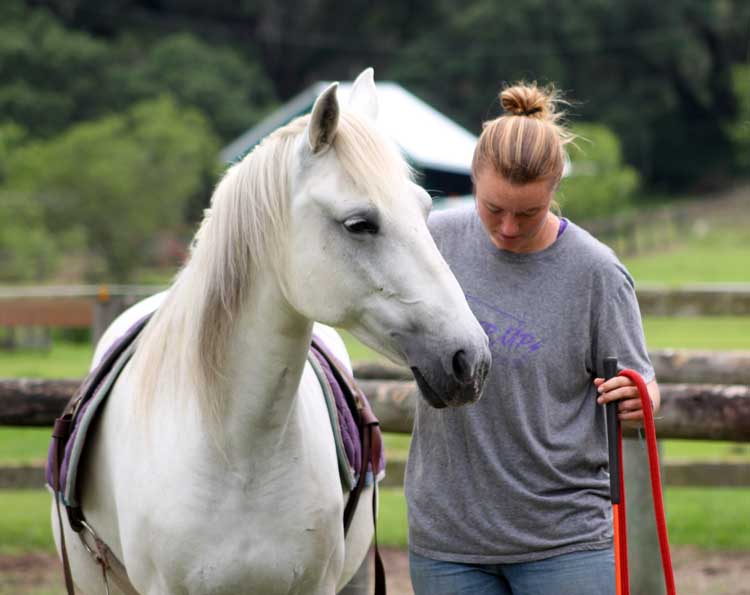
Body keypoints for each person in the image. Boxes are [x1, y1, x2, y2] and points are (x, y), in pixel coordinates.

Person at [406, 82, 661, 595]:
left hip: (563, 542)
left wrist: (640, 398)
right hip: (447, 541)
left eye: (527, 213)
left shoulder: (596, 272)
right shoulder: (432, 242)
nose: (506, 227)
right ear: (474, 179)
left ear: (554, 190)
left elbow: (645, 385)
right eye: (492, 207)